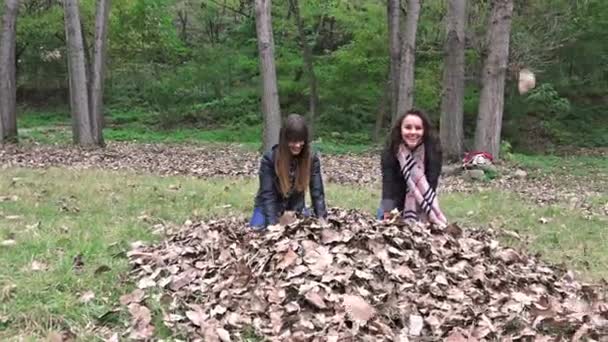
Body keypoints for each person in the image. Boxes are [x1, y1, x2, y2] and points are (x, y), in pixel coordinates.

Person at [249, 114, 327, 229]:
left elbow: (317, 192)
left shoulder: (312, 159)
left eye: (301, 141)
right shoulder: (269, 159)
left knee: (304, 229)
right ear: (284, 140)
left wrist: (321, 219)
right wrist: (272, 224)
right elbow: (267, 194)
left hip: (295, 208)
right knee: (256, 228)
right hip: (269, 207)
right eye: (293, 141)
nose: (297, 145)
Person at [379, 109, 448, 227]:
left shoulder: (433, 150)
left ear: (424, 130)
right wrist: (388, 210)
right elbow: (388, 183)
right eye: (408, 127)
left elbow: (431, 185)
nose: (413, 132)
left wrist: (426, 213)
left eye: (418, 128)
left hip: (422, 201)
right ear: (400, 129)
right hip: (395, 199)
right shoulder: (391, 150)